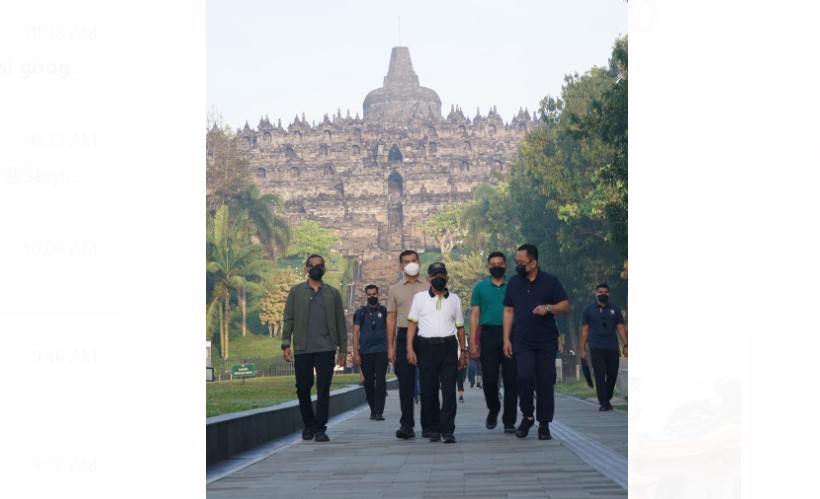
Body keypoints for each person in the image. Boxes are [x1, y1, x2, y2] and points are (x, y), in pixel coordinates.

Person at [503, 244, 569, 441]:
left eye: (521, 263)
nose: (518, 265)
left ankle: (544, 424)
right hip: (522, 340)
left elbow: (565, 306)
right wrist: (506, 338)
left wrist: (548, 308)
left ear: (533, 263)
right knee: (523, 377)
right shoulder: (514, 282)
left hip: (546, 341)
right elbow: (508, 310)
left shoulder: (550, 281)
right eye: (516, 262)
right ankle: (528, 415)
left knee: (545, 382)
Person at [281, 254, 347, 443]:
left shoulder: (332, 293)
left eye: (319, 265)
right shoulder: (296, 292)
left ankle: (320, 428)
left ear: (324, 269)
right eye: (312, 265)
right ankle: (308, 423)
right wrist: (286, 343)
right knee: (303, 387)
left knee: (323, 388)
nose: (316, 268)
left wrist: (343, 350)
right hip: (303, 347)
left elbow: (341, 323)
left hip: (326, 347)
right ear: (306, 269)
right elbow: (289, 318)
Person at [406, 262, 468, 443]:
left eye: (442, 275)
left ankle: (447, 429)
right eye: (435, 276)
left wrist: (463, 351)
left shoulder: (455, 299)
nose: (439, 279)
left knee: (449, 390)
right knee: (429, 390)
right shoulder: (419, 298)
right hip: (426, 347)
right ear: (428, 279)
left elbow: (460, 327)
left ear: (447, 278)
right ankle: (433, 428)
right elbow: (412, 324)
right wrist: (410, 347)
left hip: (448, 347)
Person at [470, 251, 518, 433]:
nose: (496, 266)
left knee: (512, 378)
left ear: (505, 265)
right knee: (489, 379)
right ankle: (494, 407)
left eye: (500, 263)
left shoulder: (513, 285)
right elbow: (474, 315)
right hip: (488, 334)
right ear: (488, 266)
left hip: (512, 334)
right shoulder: (480, 287)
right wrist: (473, 343)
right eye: (493, 263)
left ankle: (509, 421)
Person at [386, 250, 429, 439]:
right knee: (405, 382)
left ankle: (428, 424)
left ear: (419, 262)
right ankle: (406, 424)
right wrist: (391, 345)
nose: (410, 264)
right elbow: (391, 317)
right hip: (404, 336)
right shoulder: (394, 289)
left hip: (427, 335)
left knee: (429, 381)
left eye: (413, 261)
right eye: (406, 262)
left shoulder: (429, 285)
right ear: (401, 266)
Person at [580, 283, 628, 411]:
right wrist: (583, 349)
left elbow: (620, 328)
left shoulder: (615, 310)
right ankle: (604, 402)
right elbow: (585, 330)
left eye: (605, 292)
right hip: (596, 347)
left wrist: (626, 345)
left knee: (612, 374)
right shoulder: (588, 310)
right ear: (596, 293)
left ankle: (607, 397)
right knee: (599, 374)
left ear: (609, 294)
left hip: (612, 346)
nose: (603, 294)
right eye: (600, 291)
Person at [352, 284, 389, 421]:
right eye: (370, 295)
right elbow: (355, 334)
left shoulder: (384, 311)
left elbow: (391, 332)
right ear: (366, 296)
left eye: (374, 294)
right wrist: (356, 353)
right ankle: (373, 409)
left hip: (381, 350)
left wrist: (392, 349)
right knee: (368, 382)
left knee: (380, 380)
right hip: (366, 352)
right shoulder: (360, 313)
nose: (372, 297)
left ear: (378, 295)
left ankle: (379, 411)